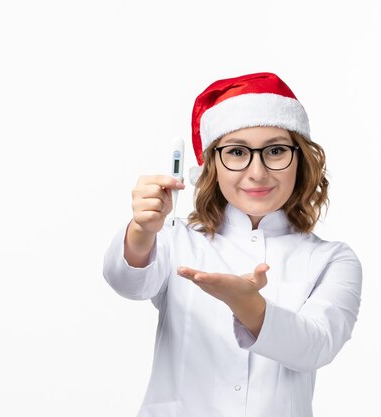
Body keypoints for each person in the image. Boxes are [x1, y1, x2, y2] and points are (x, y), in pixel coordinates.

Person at [103, 72, 362, 417]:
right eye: (237, 152)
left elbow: (316, 346)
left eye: (275, 150)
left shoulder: (332, 259)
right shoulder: (177, 237)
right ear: (212, 165)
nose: (257, 172)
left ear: (300, 159)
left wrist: (249, 306)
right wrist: (141, 229)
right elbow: (128, 282)